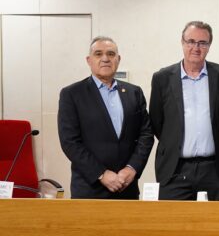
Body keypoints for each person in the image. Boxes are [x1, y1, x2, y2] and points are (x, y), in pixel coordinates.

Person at [58, 36, 154, 199]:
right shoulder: (72, 94)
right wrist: (101, 174)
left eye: (111, 54)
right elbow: (70, 142)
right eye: (98, 54)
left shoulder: (133, 92)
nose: (105, 59)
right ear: (89, 60)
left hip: (127, 187)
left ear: (118, 59)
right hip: (90, 188)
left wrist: (132, 168)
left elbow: (146, 134)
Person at [149, 21, 219, 201]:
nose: (196, 47)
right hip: (174, 170)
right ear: (182, 42)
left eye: (202, 43)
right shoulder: (162, 78)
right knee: (174, 226)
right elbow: (156, 121)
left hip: (213, 170)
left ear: (209, 46)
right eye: (191, 41)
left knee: (212, 226)